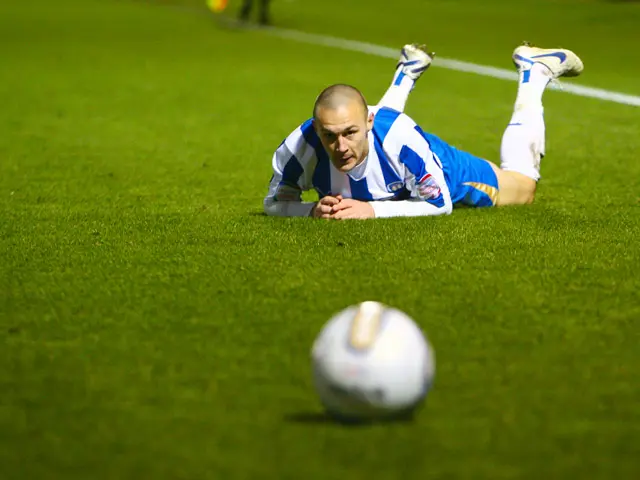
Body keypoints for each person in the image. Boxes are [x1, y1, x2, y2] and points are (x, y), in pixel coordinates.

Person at [264, 43, 584, 219]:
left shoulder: (400, 138)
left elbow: (440, 203)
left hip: (441, 166)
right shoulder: (298, 149)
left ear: (369, 122)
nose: (340, 145)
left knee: (523, 190)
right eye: (329, 136)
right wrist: (310, 211)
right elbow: (275, 203)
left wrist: (371, 210)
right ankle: (408, 70)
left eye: (350, 132)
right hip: (388, 142)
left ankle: (535, 71)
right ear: (316, 130)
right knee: (379, 138)